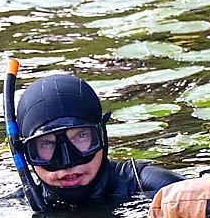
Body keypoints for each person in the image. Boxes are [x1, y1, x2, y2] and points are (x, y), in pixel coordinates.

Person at [15, 73, 185, 209]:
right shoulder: (12, 206)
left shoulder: (147, 186)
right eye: (47, 144)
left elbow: (205, 194)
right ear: (26, 153)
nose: (68, 162)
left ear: (102, 136)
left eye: (81, 136)